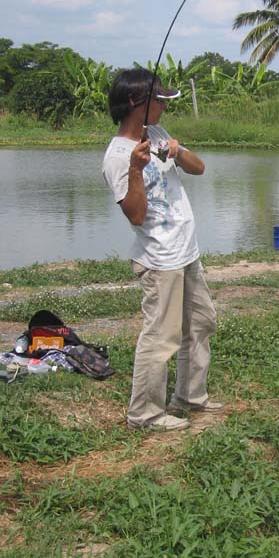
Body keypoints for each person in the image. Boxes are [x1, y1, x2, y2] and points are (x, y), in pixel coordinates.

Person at [102, 68, 220, 431]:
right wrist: (137, 169)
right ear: (137, 103)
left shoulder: (157, 134)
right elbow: (137, 215)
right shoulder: (119, 156)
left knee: (201, 323)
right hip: (160, 260)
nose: (164, 107)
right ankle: (145, 414)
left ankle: (189, 397)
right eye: (159, 101)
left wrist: (177, 150)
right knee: (161, 337)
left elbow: (198, 169)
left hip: (187, 252)